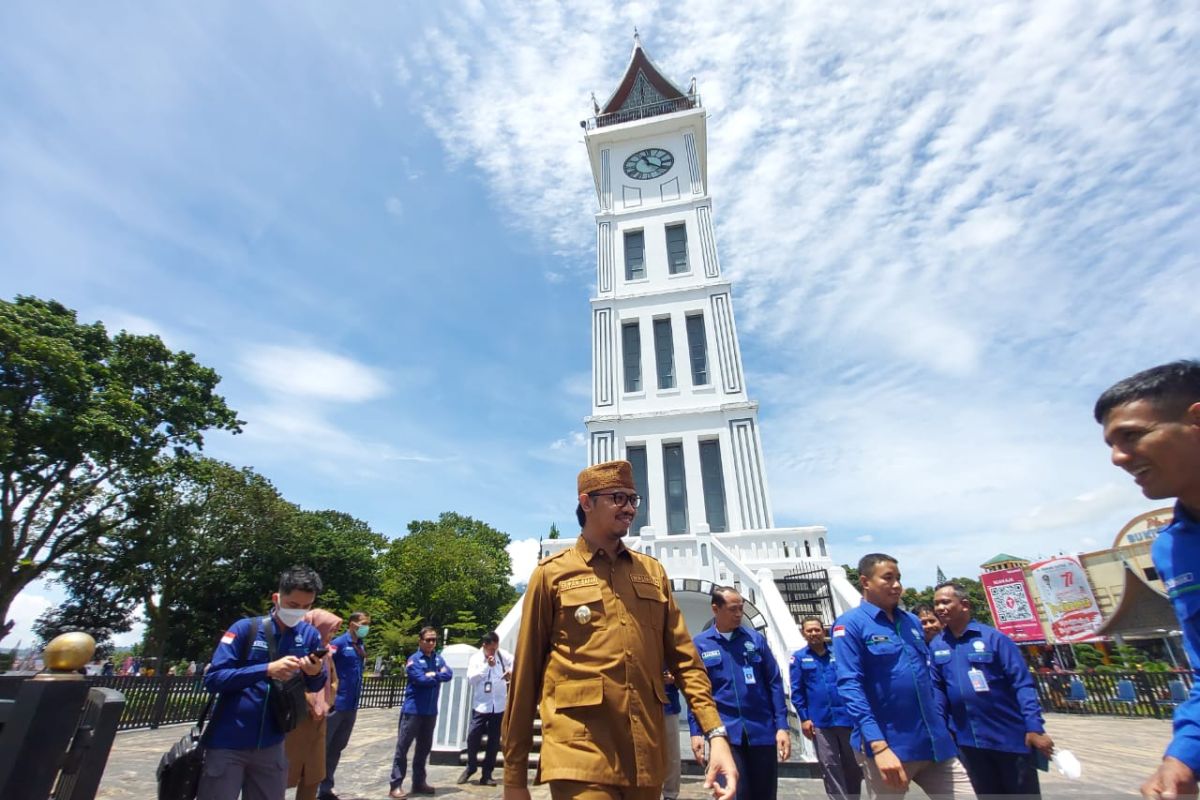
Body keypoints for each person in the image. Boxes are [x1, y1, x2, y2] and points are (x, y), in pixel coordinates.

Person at [502, 459, 738, 800]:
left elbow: (686, 662)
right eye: (617, 498)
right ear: (586, 502)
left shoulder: (653, 574)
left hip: (645, 751)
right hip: (578, 750)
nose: (629, 508)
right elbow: (525, 678)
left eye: (633, 499)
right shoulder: (552, 575)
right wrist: (514, 777)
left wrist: (716, 734)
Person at [1095, 360, 1200, 800]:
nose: (1118, 458)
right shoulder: (1172, 549)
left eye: (1132, 435)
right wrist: (1184, 756)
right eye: (1112, 445)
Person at [832, 553, 973, 799]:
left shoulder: (911, 623)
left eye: (898, 578)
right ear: (865, 582)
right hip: (889, 746)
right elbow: (850, 685)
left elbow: (930, 678)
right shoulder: (851, 624)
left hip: (933, 742)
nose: (897, 585)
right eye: (888, 578)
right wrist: (878, 745)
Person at [199, 565, 327, 800]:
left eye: (306, 607)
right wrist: (266, 669)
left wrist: (315, 672)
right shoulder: (245, 629)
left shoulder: (309, 636)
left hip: (272, 743)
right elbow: (214, 679)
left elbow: (316, 685)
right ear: (277, 598)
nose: (299, 612)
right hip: (228, 742)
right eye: (292, 605)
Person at [930, 582, 1054, 796]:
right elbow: (937, 691)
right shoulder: (937, 646)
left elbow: (1022, 684)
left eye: (945, 602)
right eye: (936, 604)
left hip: (1008, 737)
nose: (940, 608)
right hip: (968, 742)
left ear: (965, 604)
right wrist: (941, 729)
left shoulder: (994, 639)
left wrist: (1034, 727)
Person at [688, 587, 790, 800]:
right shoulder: (701, 644)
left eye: (741, 609)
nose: (738, 614)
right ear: (716, 609)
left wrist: (782, 726)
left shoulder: (755, 640)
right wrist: (696, 731)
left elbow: (774, 682)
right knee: (733, 793)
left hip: (761, 730)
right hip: (725, 733)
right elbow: (697, 690)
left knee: (764, 793)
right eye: (733, 609)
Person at [790, 616, 862, 800]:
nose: (813, 634)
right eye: (809, 631)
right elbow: (797, 691)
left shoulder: (838, 654)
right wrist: (804, 718)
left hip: (846, 718)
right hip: (820, 721)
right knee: (829, 765)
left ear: (824, 631)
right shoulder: (799, 658)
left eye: (816, 629)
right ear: (803, 633)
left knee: (853, 764)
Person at [388, 626, 452, 799]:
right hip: (413, 710)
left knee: (424, 748)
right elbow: (420, 679)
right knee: (403, 747)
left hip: (430, 711)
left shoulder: (438, 659)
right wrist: (436, 676)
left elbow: (449, 674)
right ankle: (396, 784)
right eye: (428, 640)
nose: (431, 643)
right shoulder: (414, 659)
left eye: (434, 640)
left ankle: (419, 782)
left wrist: (433, 674)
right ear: (420, 641)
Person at [286, 609, 342, 800]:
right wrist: (309, 700)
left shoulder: (327, 654)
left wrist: (328, 701)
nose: (332, 635)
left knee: (314, 773)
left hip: (320, 719)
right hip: (297, 718)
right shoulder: (297, 650)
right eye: (329, 630)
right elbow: (291, 682)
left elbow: (333, 680)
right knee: (284, 771)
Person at [319, 611, 371, 800]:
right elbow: (326, 668)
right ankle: (312, 785)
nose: (366, 627)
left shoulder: (360, 645)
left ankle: (326, 786)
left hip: (352, 704)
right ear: (352, 624)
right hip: (337, 704)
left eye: (368, 624)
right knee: (324, 746)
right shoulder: (339, 643)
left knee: (338, 746)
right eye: (363, 623)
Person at [459, 630, 513, 787]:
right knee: (473, 736)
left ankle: (487, 774)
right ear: (485, 645)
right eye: (491, 648)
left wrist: (510, 672)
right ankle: (471, 766)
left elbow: (516, 662)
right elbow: (471, 679)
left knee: (494, 741)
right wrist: (485, 667)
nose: (494, 651)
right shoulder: (476, 659)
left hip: (498, 705)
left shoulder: (502, 655)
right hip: (482, 705)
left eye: (496, 648)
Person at [662, 672, 683, 800]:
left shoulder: (671, 652)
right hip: (644, 707)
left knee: (672, 754)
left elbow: (687, 677)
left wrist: (674, 679)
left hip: (668, 706)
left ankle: (670, 794)